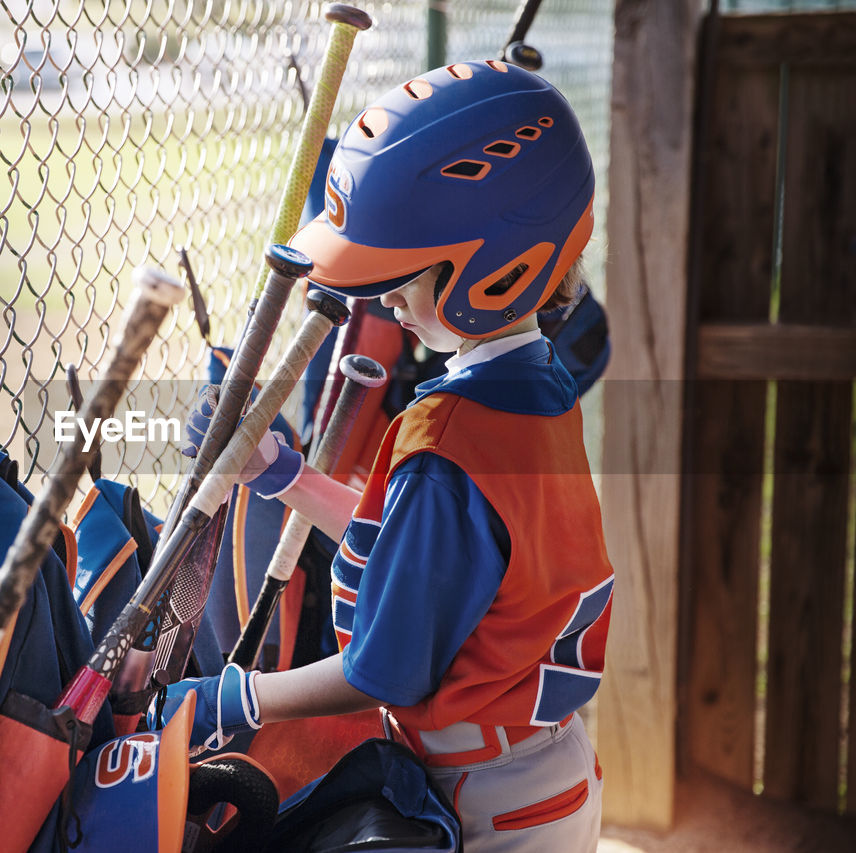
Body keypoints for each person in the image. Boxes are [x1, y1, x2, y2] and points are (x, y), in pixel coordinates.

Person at [154, 59, 614, 852]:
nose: (384, 296)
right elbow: (418, 549)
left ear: (495, 271)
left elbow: (381, 673)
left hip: (488, 801)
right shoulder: (533, 387)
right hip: (538, 774)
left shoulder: (448, 441)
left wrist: (237, 697)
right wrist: (286, 478)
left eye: (402, 271)